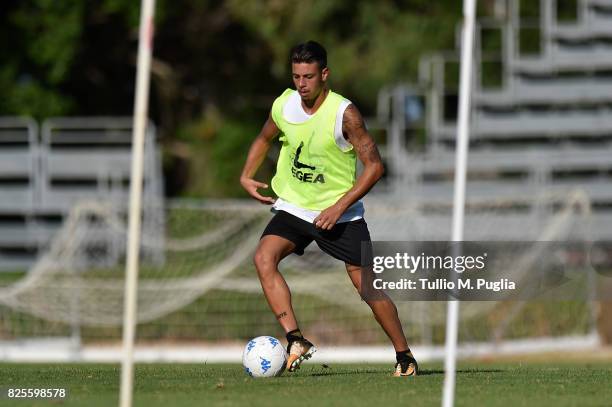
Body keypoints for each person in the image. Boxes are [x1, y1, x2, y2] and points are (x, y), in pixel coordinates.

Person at [239, 40, 418, 376]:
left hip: (340, 215)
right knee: (264, 258)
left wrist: (339, 207)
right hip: (294, 208)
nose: (301, 84)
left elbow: (375, 167)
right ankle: (295, 339)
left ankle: (404, 355)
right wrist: (247, 175)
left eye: (308, 76)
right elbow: (264, 138)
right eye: (296, 76)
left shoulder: (344, 114)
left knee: (367, 285)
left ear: (324, 74)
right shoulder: (284, 104)